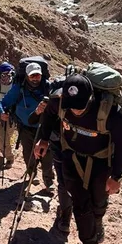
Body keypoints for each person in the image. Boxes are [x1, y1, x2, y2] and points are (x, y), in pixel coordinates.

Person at [36, 72, 122, 244]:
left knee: (98, 203)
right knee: (80, 203)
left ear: (90, 98)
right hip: (71, 157)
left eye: (80, 107)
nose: (76, 112)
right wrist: (44, 138)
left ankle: (97, 223)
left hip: (101, 163)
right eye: (72, 107)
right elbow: (49, 115)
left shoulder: (110, 112)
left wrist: (116, 176)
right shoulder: (59, 101)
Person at [0, 61, 54, 192]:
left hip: (44, 129)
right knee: (28, 154)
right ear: (27, 76)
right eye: (32, 76)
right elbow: (4, 102)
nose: (35, 78)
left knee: (47, 156)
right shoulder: (19, 88)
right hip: (25, 128)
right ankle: (32, 174)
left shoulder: (47, 87)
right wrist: (2, 112)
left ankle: (48, 181)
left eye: (38, 75)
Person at [29, 77, 71, 233]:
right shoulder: (54, 104)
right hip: (64, 146)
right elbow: (33, 120)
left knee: (64, 182)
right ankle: (67, 215)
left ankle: (66, 216)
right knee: (65, 182)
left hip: (59, 145)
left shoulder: (55, 102)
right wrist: (40, 111)